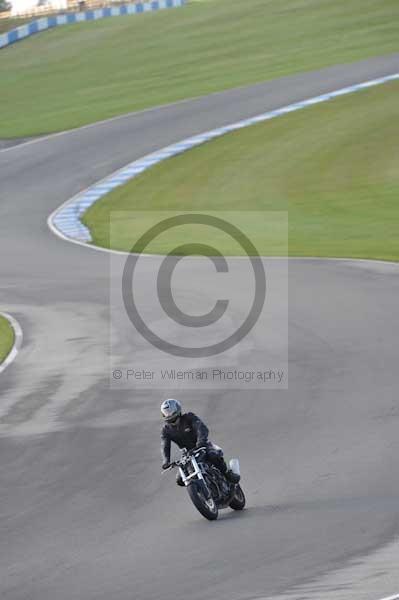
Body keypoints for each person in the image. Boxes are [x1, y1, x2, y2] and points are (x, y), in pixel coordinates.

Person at [160, 398, 239, 485]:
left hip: (202, 445)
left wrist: (200, 442)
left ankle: (227, 474)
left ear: (177, 410)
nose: (169, 415)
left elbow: (201, 428)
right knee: (180, 480)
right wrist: (166, 461)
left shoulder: (189, 417)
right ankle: (202, 491)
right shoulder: (166, 430)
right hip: (187, 454)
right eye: (166, 413)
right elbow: (165, 445)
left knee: (213, 456)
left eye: (170, 412)